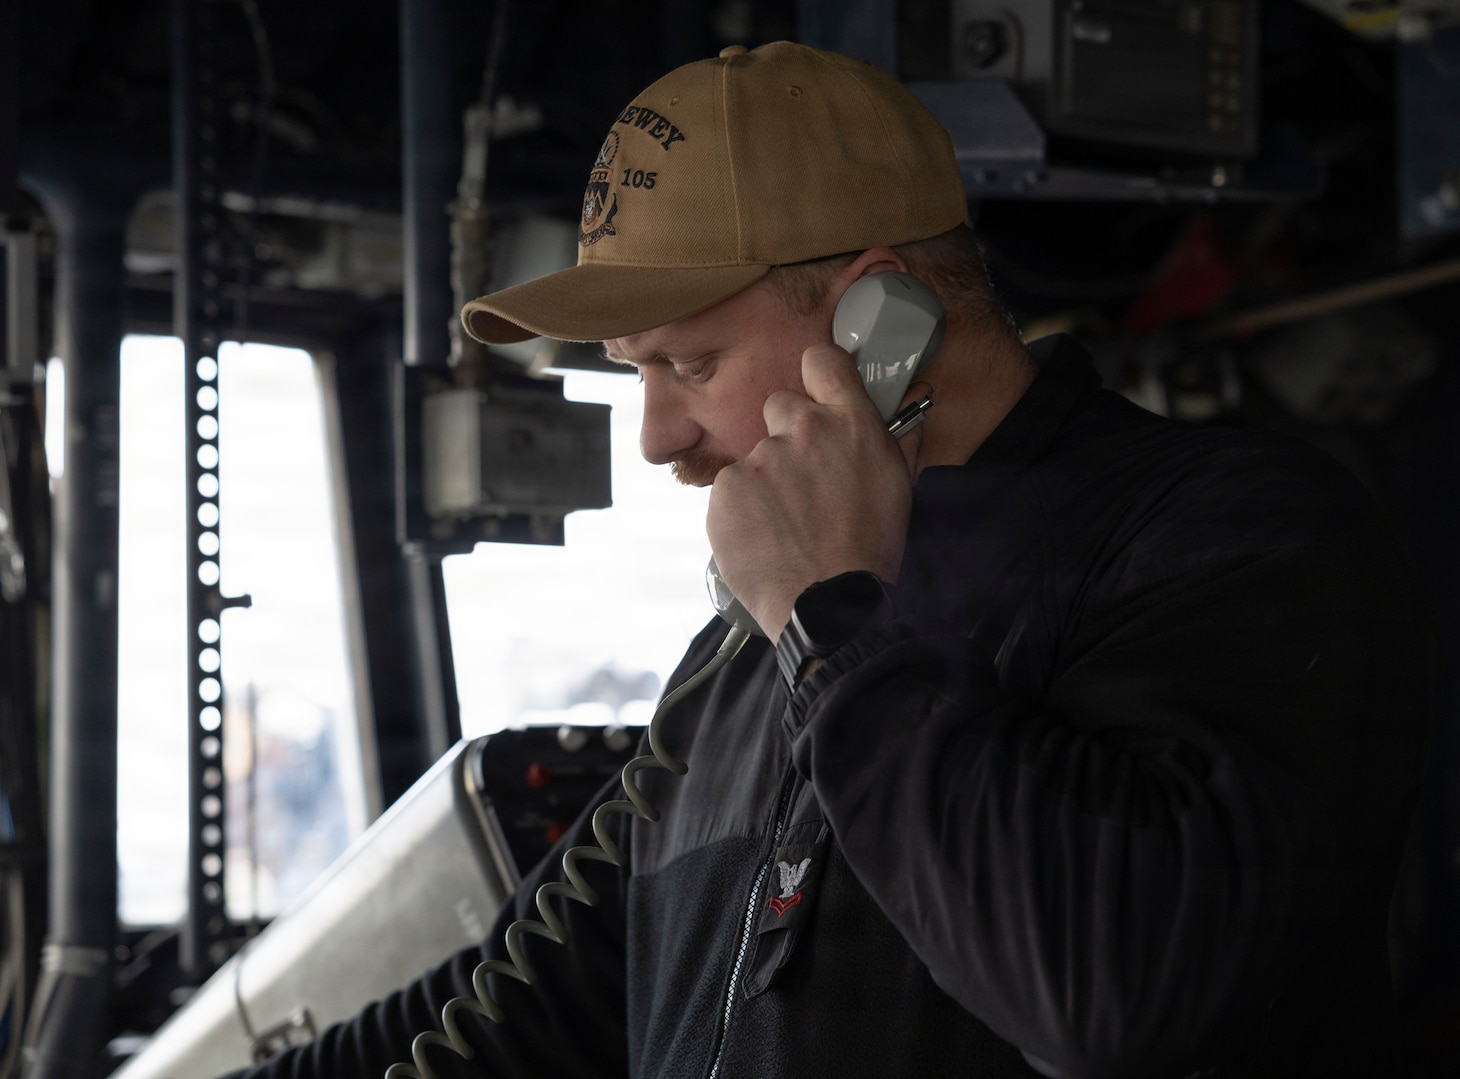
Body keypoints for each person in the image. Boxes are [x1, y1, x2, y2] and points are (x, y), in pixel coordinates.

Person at [234, 40, 1428, 1079]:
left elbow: (1108, 998)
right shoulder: (746, 658)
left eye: (687, 365)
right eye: (630, 370)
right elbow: (525, 1014)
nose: (653, 436)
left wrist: (834, 624)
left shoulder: (1227, 536)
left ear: (876, 319)